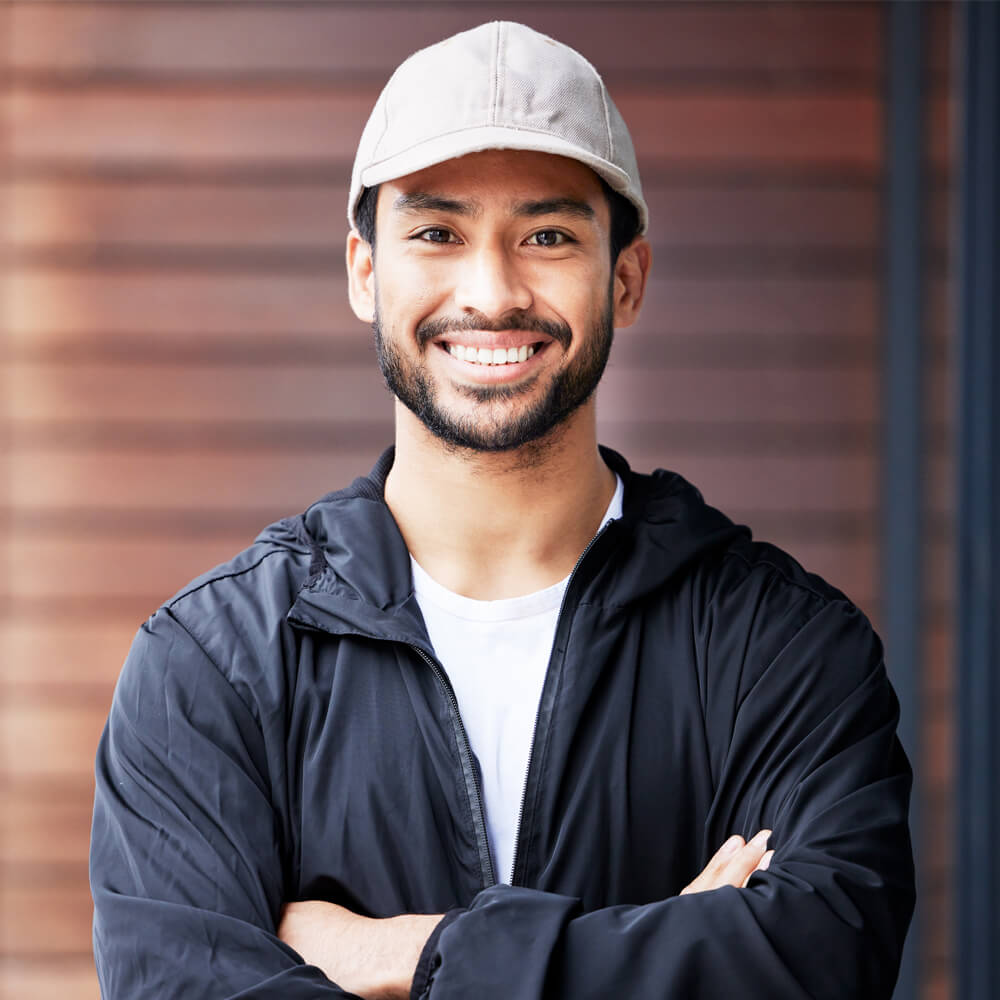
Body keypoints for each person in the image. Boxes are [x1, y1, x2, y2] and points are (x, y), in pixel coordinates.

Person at [90, 21, 914, 1000]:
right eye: (437, 232)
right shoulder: (211, 665)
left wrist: (417, 953)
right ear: (364, 271)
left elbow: (811, 967)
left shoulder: (780, 652)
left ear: (627, 277)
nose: (491, 291)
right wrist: (665, 949)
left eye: (548, 235)